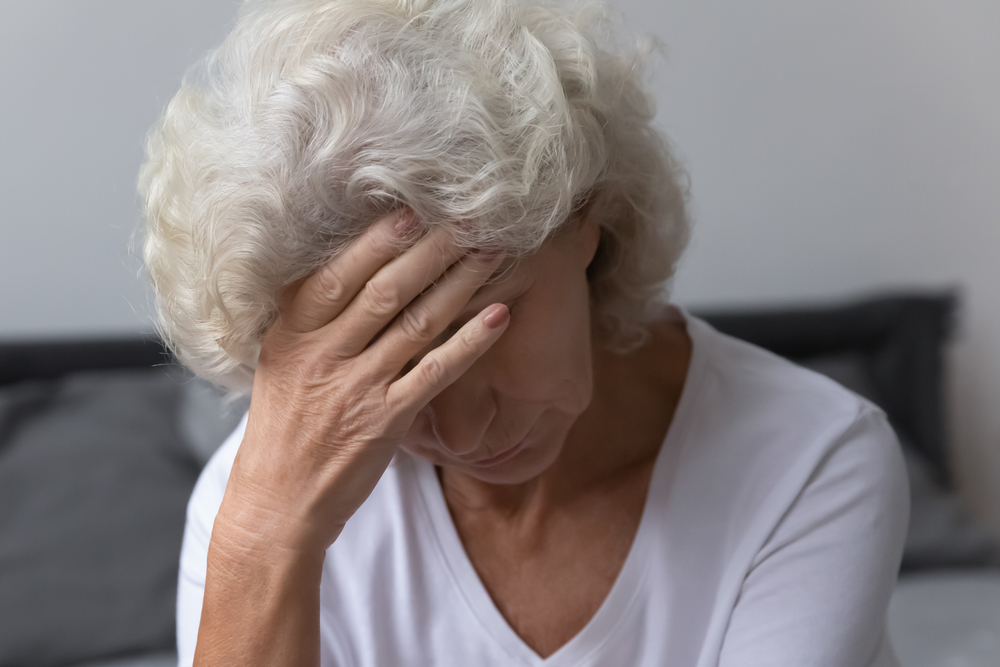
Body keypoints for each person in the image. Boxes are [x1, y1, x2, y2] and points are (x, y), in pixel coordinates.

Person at [139, 0, 909, 665]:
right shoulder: (256, 511)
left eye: (484, 325)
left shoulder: (811, 460)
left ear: (589, 219)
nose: (466, 428)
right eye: (391, 364)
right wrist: (261, 541)